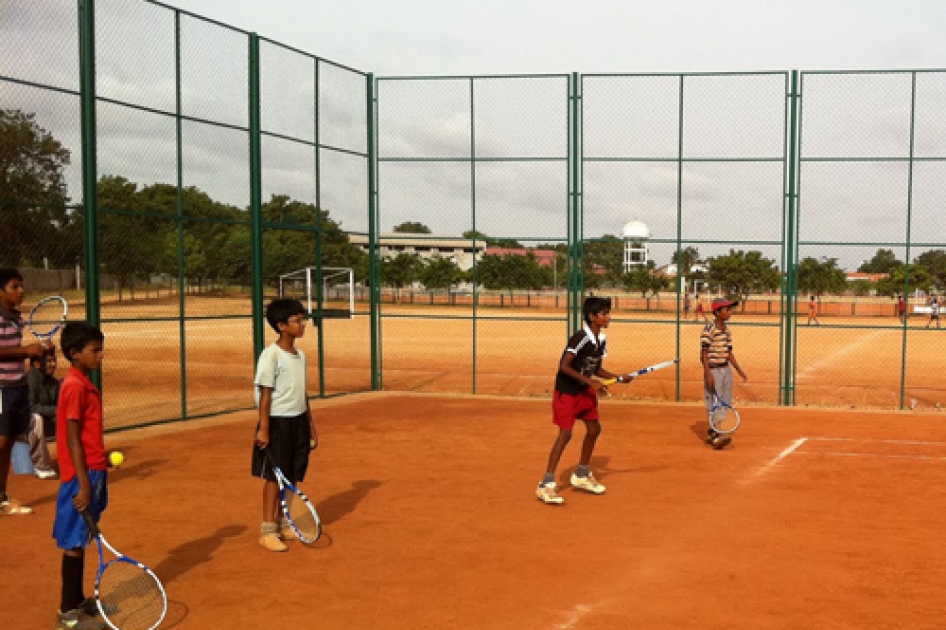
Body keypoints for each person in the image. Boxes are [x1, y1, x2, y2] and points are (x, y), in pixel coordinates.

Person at [536, 296, 636, 505]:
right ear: (592, 317)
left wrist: (617, 377)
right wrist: (591, 383)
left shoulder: (601, 340)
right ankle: (546, 484)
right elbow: (564, 366)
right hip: (567, 391)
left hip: (584, 391)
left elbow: (596, 368)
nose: (609, 317)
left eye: (608, 313)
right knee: (565, 434)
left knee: (594, 430)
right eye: (604, 313)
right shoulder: (580, 338)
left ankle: (581, 474)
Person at [52, 321, 108, 630]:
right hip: (80, 476)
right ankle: (66, 613)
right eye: (95, 351)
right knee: (73, 541)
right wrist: (84, 481)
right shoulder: (73, 385)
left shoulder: (83, 382)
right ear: (75, 354)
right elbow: (72, 437)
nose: (101, 356)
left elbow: (86, 435)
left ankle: (79, 600)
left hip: (93, 470)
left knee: (82, 537)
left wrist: (99, 462)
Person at [252, 299, 318, 551]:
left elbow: (303, 393)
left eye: (303, 319)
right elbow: (265, 395)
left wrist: (311, 426)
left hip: (298, 420)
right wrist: (264, 428)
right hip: (277, 423)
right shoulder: (270, 356)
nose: (303, 325)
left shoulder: (300, 356)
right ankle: (267, 530)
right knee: (273, 477)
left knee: (292, 474)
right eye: (297, 320)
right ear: (281, 326)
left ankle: (284, 521)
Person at [0, 268, 53, 515]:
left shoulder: (17, 318)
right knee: (1, 444)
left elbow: (20, 349)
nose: (21, 291)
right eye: (14, 287)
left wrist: (40, 348)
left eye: (21, 286)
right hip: (1, 388)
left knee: (8, 443)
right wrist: (26, 352)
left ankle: (1, 498)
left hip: (17, 387)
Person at [701, 298, 749, 450]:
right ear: (717, 312)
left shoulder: (726, 331)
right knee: (715, 401)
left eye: (730, 309)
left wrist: (739, 370)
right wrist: (708, 373)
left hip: (725, 369)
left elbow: (729, 352)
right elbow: (703, 353)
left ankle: (713, 431)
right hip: (714, 370)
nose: (730, 312)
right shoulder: (709, 329)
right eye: (726, 310)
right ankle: (717, 434)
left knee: (725, 401)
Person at [27, 351, 61, 479]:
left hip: (42, 423)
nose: (53, 364)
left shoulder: (53, 382)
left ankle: (76, 458)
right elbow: (30, 407)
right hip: (18, 428)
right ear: (36, 364)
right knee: (36, 418)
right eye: (48, 361)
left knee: (70, 419)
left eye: (54, 360)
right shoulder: (30, 379)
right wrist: (56, 411)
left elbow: (58, 408)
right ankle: (41, 466)